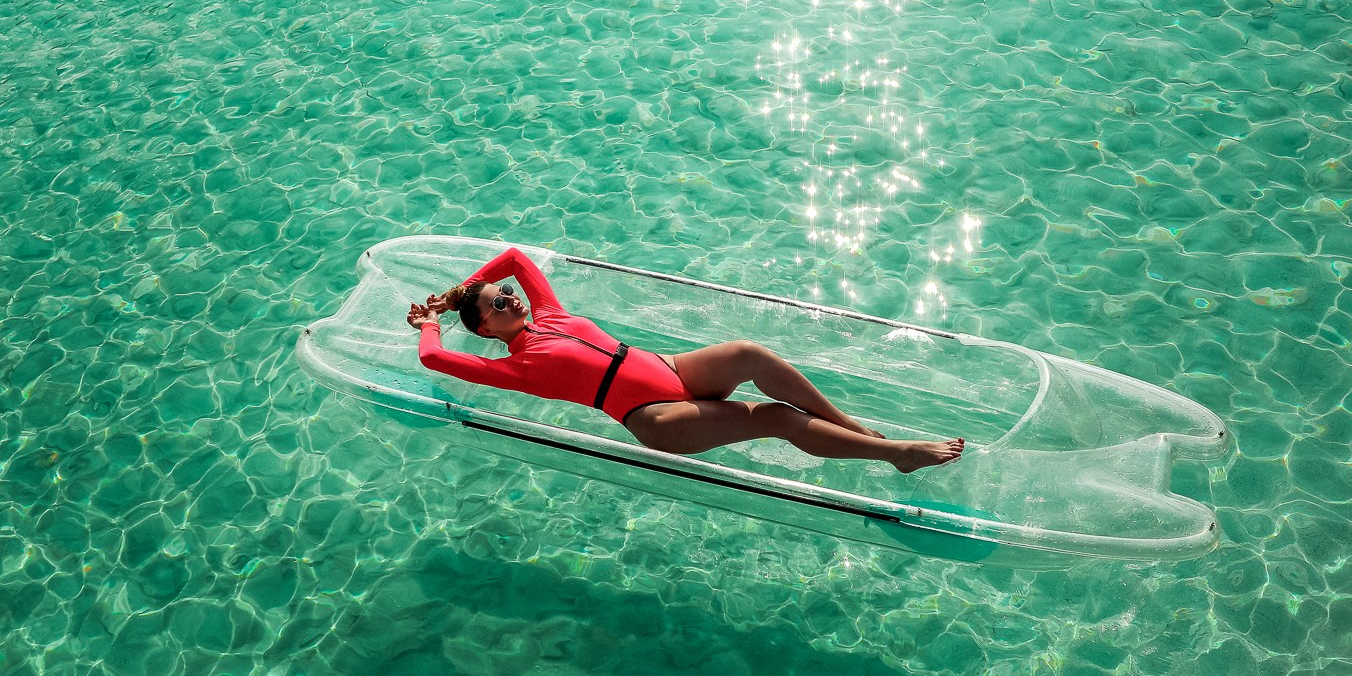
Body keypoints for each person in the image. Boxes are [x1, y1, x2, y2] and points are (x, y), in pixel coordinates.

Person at [406, 247, 965, 473]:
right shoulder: (512, 366)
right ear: (486, 330)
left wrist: (458, 293)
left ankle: (853, 428)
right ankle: (895, 454)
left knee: (749, 353)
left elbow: (514, 258)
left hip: (673, 369)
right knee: (773, 417)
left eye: (506, 294)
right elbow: (433, 358)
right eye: (497, 305)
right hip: (654, 416)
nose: (510, 298)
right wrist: (431, 321)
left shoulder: (548, 314)